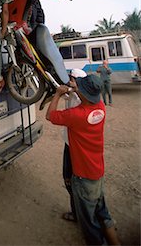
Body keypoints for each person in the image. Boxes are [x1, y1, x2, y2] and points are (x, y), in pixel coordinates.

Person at [46, 74, 120, 245]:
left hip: (83, 176)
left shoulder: (76, 115)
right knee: (103, 213)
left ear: (84, 95)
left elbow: (50, 115)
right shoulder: (100, 107)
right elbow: (85, 98)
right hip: (97, 173)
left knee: (89, 224)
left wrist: (57, 94)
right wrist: (77, 90)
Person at [61, 68, 87, 224]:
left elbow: (51, 116)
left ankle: (79, 215)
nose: (69, 81)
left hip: (74, 145)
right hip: (69, 142)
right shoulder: (73, 94)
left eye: (71, 79)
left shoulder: (79, 100)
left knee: (71, 179)